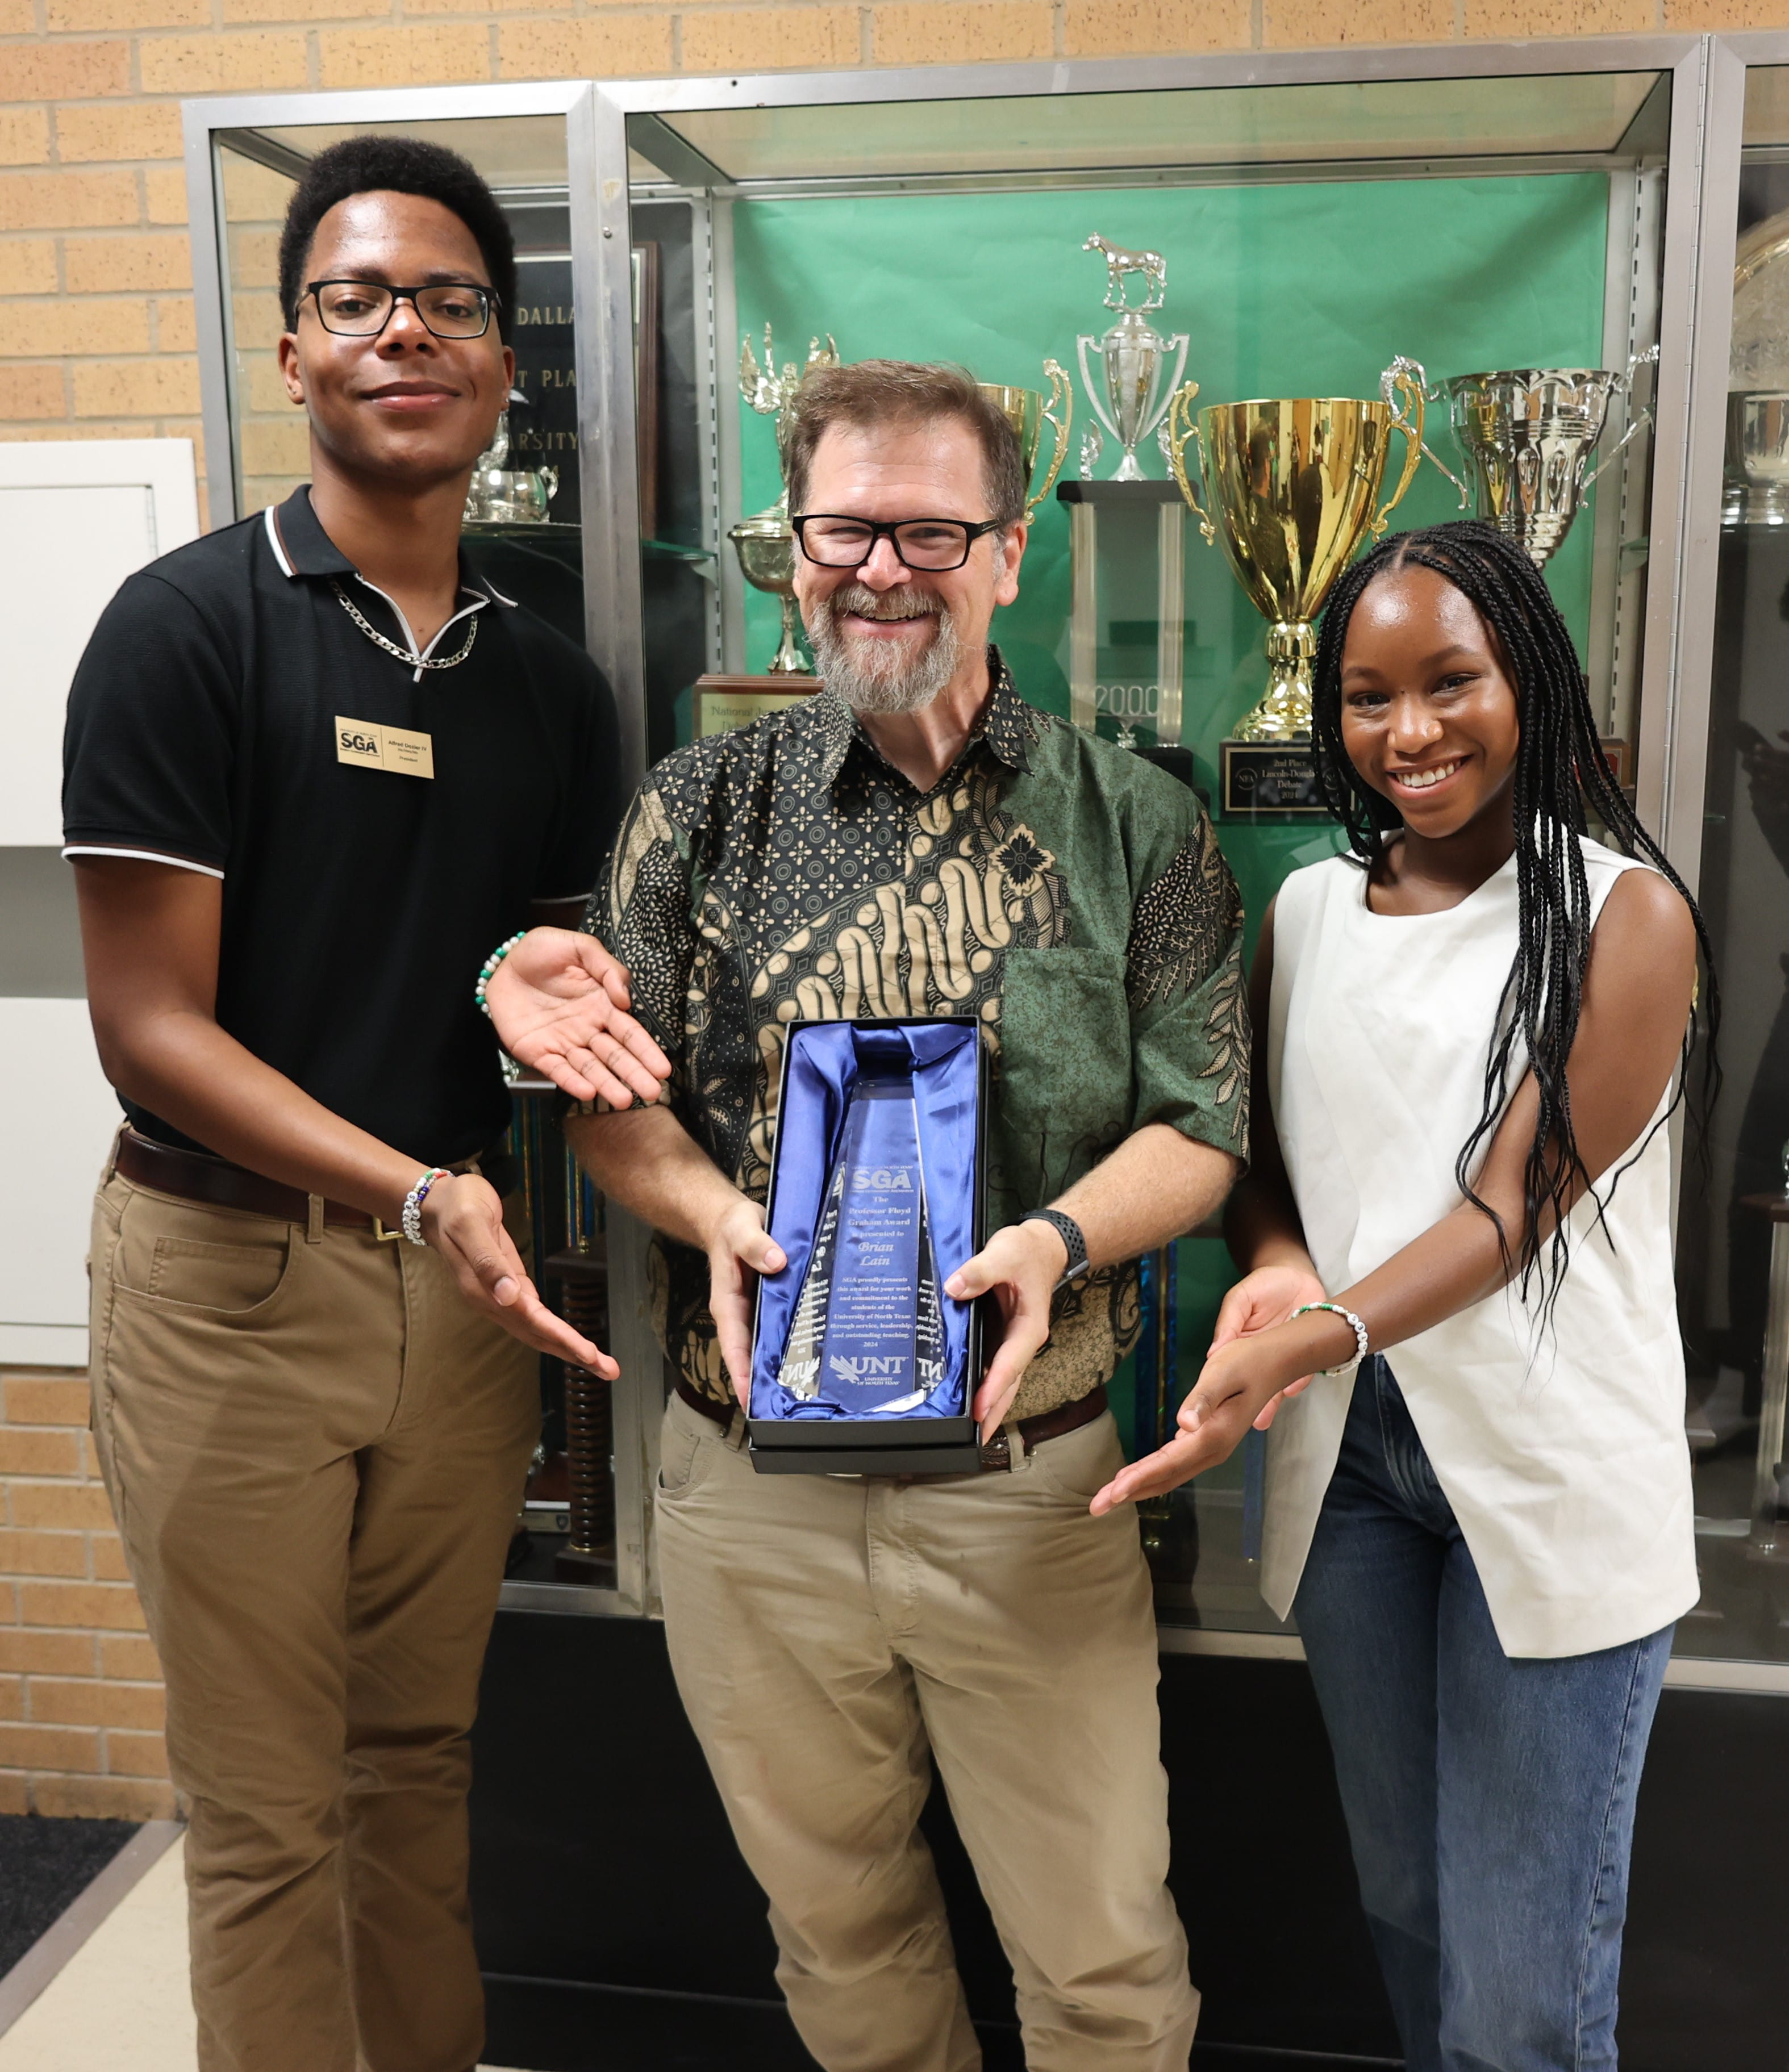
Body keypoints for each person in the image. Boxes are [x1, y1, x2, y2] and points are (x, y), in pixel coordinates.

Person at [487, 360, 1249, 2070]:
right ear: (794, 544)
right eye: (843, 527)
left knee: (1106, 1958)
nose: (880, 568)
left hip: (1026, 1484)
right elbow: (623, 1112)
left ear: (1005, 558)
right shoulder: (696, 813)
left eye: (929, 529)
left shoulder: (1138, 826)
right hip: (749, 1487)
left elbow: (1202, 1130)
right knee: (837, 1937)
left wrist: (1056, 1243)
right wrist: (709, 1219)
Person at [62, 136, 668, 2072]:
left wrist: (532, 1005)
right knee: (262, 1815)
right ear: (297, 349)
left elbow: (524, 1002)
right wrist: (415, 1188)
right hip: (230, 1286)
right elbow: (152, 1031)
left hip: (459, 1303)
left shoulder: (553, 689)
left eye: (450, 301)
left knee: (417, 1776)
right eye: (356, 300)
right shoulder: (186, 628)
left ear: (506, 361)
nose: (404, 330)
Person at [1094, 520, 1716, 2072]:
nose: (1411, 733)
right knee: (1412, 1911)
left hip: (1546, 1472)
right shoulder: (1306, 911)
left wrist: (1311, 1329)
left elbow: (1510, 1207)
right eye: (1369, 698)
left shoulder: (1623, 913)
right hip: (1350, 1470)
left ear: (1533, 677)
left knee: (1520, 1988)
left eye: (1451, 682)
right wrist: (1284, 1262)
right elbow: (1253, 1160)